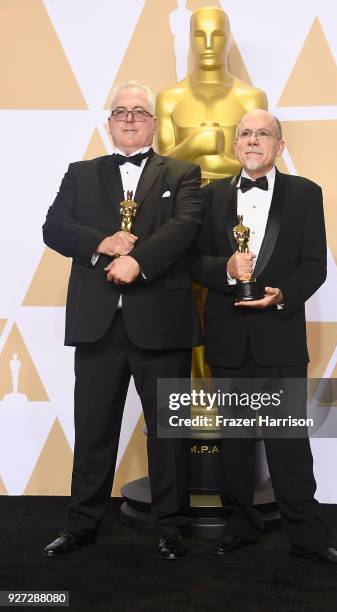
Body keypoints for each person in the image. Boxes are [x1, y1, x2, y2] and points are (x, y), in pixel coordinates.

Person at [191, 109, 337, 569]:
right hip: (227, 340)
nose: (251, 140)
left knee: (288, 444)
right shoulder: (210, 197)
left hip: (280, 337)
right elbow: (195, 262)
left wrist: (283, 294)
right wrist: (225, 270)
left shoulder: (306, 194)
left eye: (262, 134)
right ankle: (240, 528)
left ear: (279, 146)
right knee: (234, 443)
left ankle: (308, 537)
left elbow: (313, 265)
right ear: (234, 145)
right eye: (244, 133)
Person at [42, 80, 202, 560]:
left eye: (139, 112)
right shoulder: (81, 173)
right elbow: (55, 226)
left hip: (162, 323)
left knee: (169, 432)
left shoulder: (183, 172)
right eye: (121, 112)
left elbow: (186, 227)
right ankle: (82, 524)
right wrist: (103, 244)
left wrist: (139, 260)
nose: (130, 118)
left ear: (154, 123)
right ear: (109, 123)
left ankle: (170, 525)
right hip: (98, 325)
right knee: (93, 429)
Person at [156, 6, 267, 183]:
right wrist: (195, 144)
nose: (208, 44)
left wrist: (210, 159)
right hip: (183, 204)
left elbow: (260, 163)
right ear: (190, 39)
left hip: (237, 203)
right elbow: (162, 166)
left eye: (217, 35)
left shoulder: (252, 99)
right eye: (200, 36)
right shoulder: (168, 99)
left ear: (229, 39)